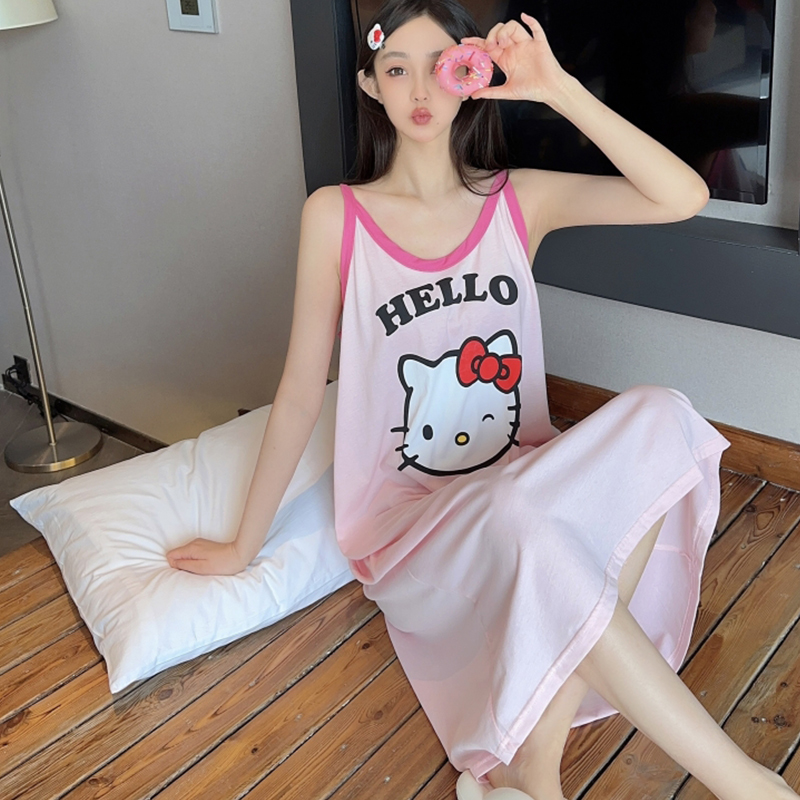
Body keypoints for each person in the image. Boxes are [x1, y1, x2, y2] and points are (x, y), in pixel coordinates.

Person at [166, 2, 798, 799]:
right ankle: (749, 786)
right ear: (370, 84)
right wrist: (242, 545)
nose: (419, 90)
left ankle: (533, 767)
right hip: (413, 521)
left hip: (524, 480)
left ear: (470, 80)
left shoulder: (516, 200)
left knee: (664, 414)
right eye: (396, 68)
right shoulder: (335, 217)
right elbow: (298, 392)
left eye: (441, 68)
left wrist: (556, 87)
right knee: (521, 515)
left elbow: (681, 195)